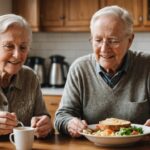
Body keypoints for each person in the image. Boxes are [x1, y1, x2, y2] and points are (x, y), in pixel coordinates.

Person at [54, 5, 150, 137]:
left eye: (113, 40)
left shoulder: (147, 65)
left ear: (130, 40)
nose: (104, 49)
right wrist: (69, 123)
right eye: (98, 40)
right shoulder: (80, 69)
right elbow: (61, 117)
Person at [0, 14, 53, 138]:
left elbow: (44, 121)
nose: (17, 55)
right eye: (9, 46)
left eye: (23, 47)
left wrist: (45, 127)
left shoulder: (30, 77)